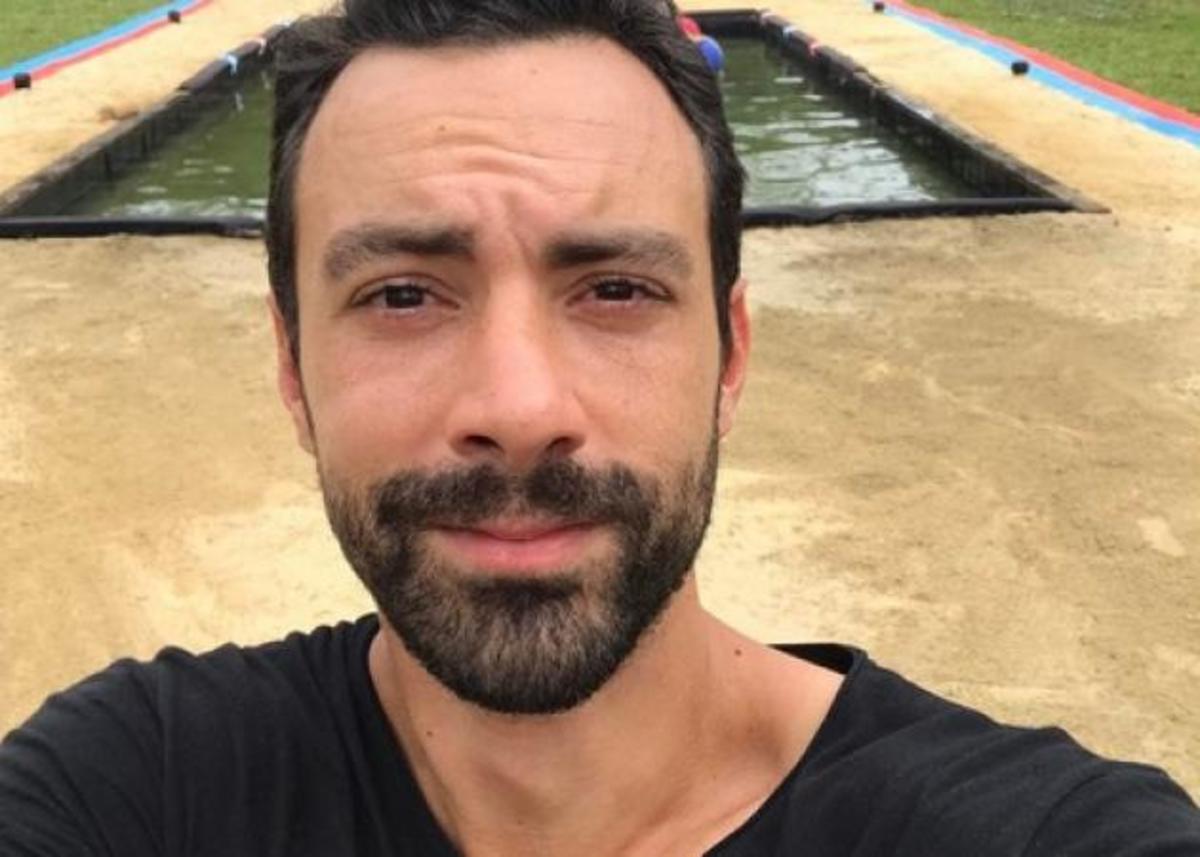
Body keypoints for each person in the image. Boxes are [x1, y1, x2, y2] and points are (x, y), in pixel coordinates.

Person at [1, 1, 1198, 854]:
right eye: (403, 295)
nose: (520, 410)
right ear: (290, 366)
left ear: (731, 352)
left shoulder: (1038, 831)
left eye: (616, 288)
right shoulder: (134, 783)